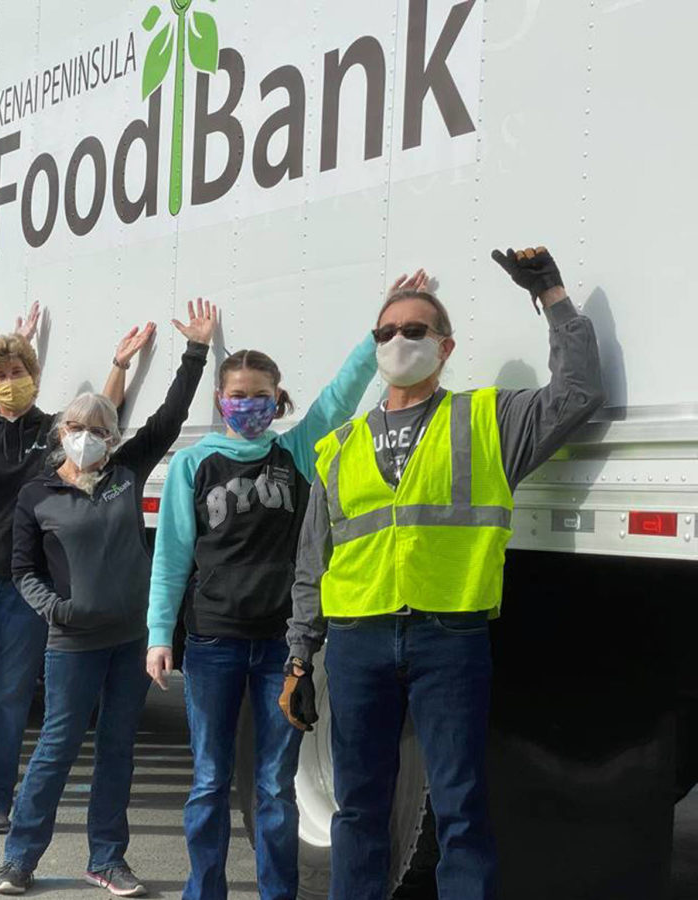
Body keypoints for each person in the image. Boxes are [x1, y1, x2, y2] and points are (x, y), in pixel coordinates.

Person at [283, 248, 604, 900]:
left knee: (460, 806)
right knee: (359, 809)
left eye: (414, 330)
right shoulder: (338, 447)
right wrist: (298, 658)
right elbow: (314, 559)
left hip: (448, 640)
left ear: (445, 345)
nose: (398, 341)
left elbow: (577, 393)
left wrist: (552, 296)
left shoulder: (486, 419)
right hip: (356, 644)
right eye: (386, 332)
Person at [145, 277, 417, 899]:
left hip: (281, 651)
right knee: (211, 780)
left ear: (277, 401)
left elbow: (341, 395)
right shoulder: (194, 463)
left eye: (261, 397)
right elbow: (170, 559)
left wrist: (380, 330)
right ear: (221, 398)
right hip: (211, 642)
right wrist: (161, 635)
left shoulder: (296, 451)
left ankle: (278, 893)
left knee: (274, 784)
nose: (249, 405)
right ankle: (203, 890)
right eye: (238, 396)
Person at [0, 301, 217, 897]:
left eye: (100, 430)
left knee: (118, 748)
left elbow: (168, 420)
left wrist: (195, 353)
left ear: (113, 437)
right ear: (60, 433)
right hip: (72, 643)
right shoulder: (37, 494)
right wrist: (55, 610)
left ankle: (107, 859)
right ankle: (19, 858)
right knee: (57, 749)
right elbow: (22, 569)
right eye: (78, 428)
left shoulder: (124, 472)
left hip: (131, 641)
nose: (87, 439)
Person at [0, 311, 155, 837]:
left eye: (18, 369)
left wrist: (120, 364)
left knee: (11, 695)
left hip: (26, 586)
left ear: (34, 374)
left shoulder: (53, 431)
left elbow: (101, 421)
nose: (9, 381)